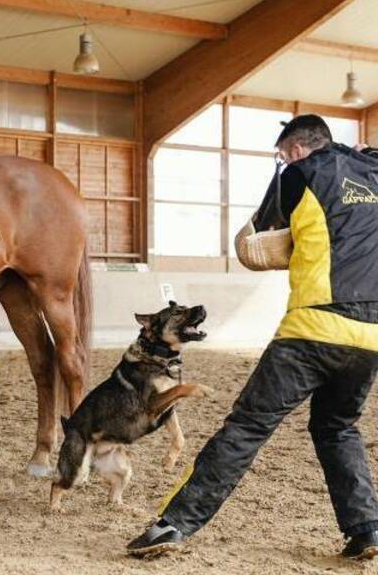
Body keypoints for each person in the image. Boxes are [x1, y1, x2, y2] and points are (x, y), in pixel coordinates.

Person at [127, 115, 378, 561]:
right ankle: (367, 531)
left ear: (297, 149)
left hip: (313, 329)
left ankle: (175, 523)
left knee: (247, 427)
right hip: (371, 337)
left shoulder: (299, 173)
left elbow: (253, 242)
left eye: (282, 154)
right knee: (337, 427)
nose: (281, 161)